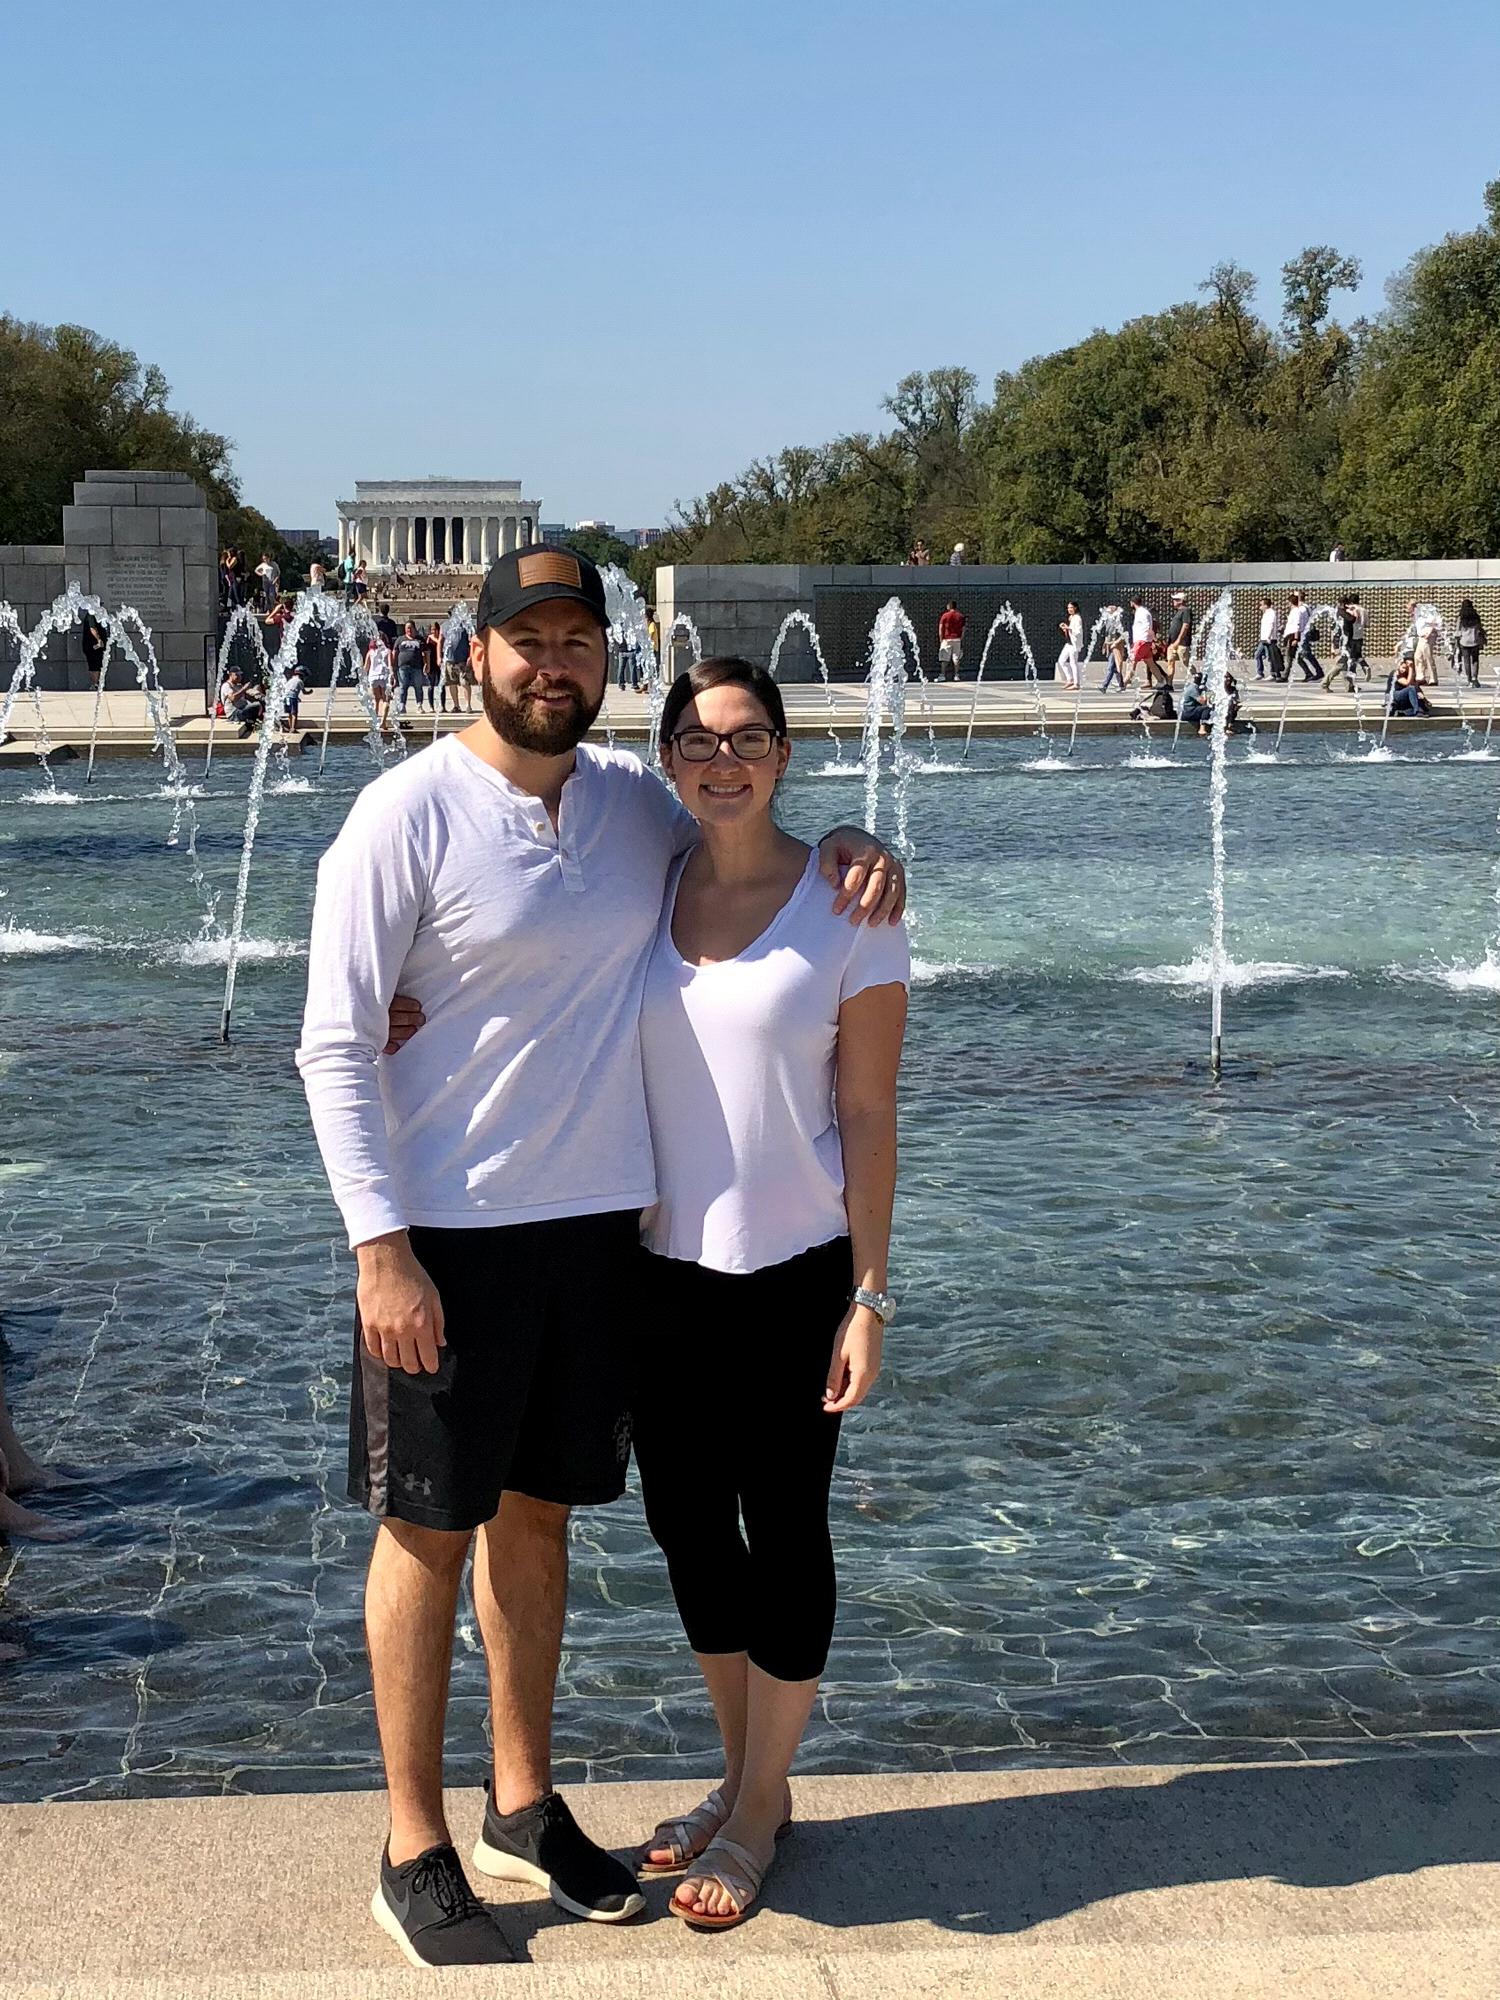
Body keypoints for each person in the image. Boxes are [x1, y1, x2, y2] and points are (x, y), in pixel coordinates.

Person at [297, 544, 904, 1970]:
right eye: (528, 642)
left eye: (577, 642)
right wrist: (379, 1249)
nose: (553, 665)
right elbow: (331, 1044)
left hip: (600, 1242)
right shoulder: (402, 816)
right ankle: (412, 1840)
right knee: (423, 1532)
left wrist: (862, 846)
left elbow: (763, 839)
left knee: (538, 1526)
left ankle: (519, 1798)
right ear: (475, 653)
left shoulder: (636, 806)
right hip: (446, 1237)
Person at [630, 659, 907, 1930]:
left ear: (787, 754)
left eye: (747, 736)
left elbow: (866, 1109)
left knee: (785, 1526)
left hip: (797, 1272)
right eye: (697, 738)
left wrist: (870, 1293)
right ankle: (748, 1776)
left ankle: (755, 1805)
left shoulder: (851, 899)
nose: (721, 757)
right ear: (672, 757)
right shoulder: (640, 879)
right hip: (657, 1269)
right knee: (687, 1527)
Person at [394, 620, 428, 713]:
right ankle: (402, 705)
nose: (408, 629)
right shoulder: (400, 639)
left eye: (410, 627)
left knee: (418, 687)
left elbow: (426, 652)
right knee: (403, 687)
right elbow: (395, 652)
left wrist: (426, 664)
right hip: (403, 667)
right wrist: (393, 665)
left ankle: (419, 705)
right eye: (407, 628)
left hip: (417, 667)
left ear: (414, 628)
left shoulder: (419, 639)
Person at [1408, 600, 1441, 686]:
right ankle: (1420, 677)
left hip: (1428, 637)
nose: (1408, 609)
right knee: (1417, 656)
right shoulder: (1416, 614)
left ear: (1413, 606)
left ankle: (1433, 678)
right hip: (1421, 637)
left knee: (1428, 656)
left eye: (1409, 607)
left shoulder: (1424, 612)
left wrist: (1429, 633)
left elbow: (1434, 622)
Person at [1456, 598, 1487, 688]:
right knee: (1475, 660)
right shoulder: (1476, 616)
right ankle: (1475, 678)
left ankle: (1469, 679)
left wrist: (1456, 641)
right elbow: (1479, 628)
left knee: (1466, 661)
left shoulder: (1461, 617)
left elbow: (1457, 631)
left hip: (1464, 641)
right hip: (1475, 641)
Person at [364, 632, 393, 731]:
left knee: (376, 699)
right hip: (384, 676)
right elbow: (390, 665)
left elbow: (366, 667)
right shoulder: (388, 651)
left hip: (373, 677)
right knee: (386, 699)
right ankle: (383, 722)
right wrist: (392, 675)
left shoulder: (370, 652)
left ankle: (375, 721)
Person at [1388, 654, 1432, 718]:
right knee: (1411, 689)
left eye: (1406, 668)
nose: (1404, 670)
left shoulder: (1408, 674)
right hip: (1396, 695)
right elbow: (1407, 683)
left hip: (1405, 698)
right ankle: (1417, 712)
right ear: (1399, 666)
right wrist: (1411, 668)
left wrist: (1425, 700)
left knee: (1424, 707)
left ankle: (1402, 712)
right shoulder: (1395, 673)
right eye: (1403, 668)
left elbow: (1415, 686)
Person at [1054, 602, 1084, 691]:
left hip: (1074, 645)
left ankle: (1076, 683)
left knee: (1073, 663)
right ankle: (1070, 679)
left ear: (1075, 608)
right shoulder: (1072, 617)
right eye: (1068, 608)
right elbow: (1070, 631)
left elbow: (1078, 631)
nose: (1069, 609)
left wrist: (1068, 628)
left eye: (1071, 607)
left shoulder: (1077, 618)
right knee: (1061, 660)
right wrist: (1065, 629)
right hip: (1069, 643)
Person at [1164, 592, 1193, 681]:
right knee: (1170, 661)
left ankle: (1198, 678)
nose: (1173, 601)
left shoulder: (1186, 611)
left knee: (1185, 661)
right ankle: (1169, 683)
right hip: (1172, 643)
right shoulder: (1178, 612)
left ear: (1180, 601)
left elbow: (1185, 626)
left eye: (1175, 600)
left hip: (1181, 642)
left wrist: (1178, 640)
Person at [1098, 611, 1128, 693]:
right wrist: (1105, 644)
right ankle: (1121, 685)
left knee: (1111, 667)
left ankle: (1104, 686)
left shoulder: (1119, 623)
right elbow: (1107, 635)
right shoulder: (1108, 623)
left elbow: (1123, 635)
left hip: (1117, 647)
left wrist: (1115, 643)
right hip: (1112, 647)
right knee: (1114, 668)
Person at [1281, 594, 1308, 681]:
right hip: (1289, 635)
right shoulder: (1294, 611)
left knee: (1289, 657)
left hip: (1292, 636)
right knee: (1297, 657)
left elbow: (1297, 625)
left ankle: (1285, 675)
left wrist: (1296, 638)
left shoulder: (1296, 611)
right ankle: (1308, 673)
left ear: (1291, 602)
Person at [1129, 597, 1155, 686]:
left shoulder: (1142, 612)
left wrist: (1150, 639)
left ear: (1132, 603)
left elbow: (1148, 626)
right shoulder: (1140, 612)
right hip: (1143, 640)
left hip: (1142, 640)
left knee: (1132, 660)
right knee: (1150, 662)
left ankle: (1125, 681)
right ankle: (1161, 680)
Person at [937, 601, 965, 683]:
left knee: (944, 658)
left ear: (949, 606)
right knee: (956, 658)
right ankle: (956, 675)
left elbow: (941, 628)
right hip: (957, 639)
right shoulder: (960, 616)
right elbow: (963, 630)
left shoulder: (945, 616)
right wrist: (960, 638)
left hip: (946, 639)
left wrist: (941, 639)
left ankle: (942, 675)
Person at [1254, 597, 1279, 680]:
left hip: (1269, 639)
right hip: (1264, 639)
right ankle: (1260, 673)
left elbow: (1271, 625)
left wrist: (1268, 637)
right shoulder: (1266, 613)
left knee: (1270, 656)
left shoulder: (1271, 613)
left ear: (1265, 605)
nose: (1259, 606)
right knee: (1257, 654)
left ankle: (1273, 674)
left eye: (1261, 605)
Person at [81, 614, 107, 689]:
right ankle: (95, 684)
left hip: (96, 645)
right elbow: (92, 628)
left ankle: (96, 683)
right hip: (93, 645)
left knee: (97, 664)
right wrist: (98, 639)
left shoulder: (94, 615)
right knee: (94, 665)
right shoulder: (91, 615)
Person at [422, 622, 444, 711]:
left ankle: (443, 705)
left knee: (441, 685)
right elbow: (425, 652)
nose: (434, 631)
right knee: (431, 685)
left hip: (439, 663)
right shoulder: (429, 639)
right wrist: (426, 664)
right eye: (432, 629)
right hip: (431, 663)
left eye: (435, 629)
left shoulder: (441, 639)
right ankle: (431, 706)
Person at [281, 663, 306, 733]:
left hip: (286, 698)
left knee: (289, 713)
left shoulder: (290, 680)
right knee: (294, 713)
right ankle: (293, 728)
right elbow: (304, 692)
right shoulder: (300, 681)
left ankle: (290, 728)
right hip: (292, 698)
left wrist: (296, 697)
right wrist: (310, 692)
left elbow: (289, 689)